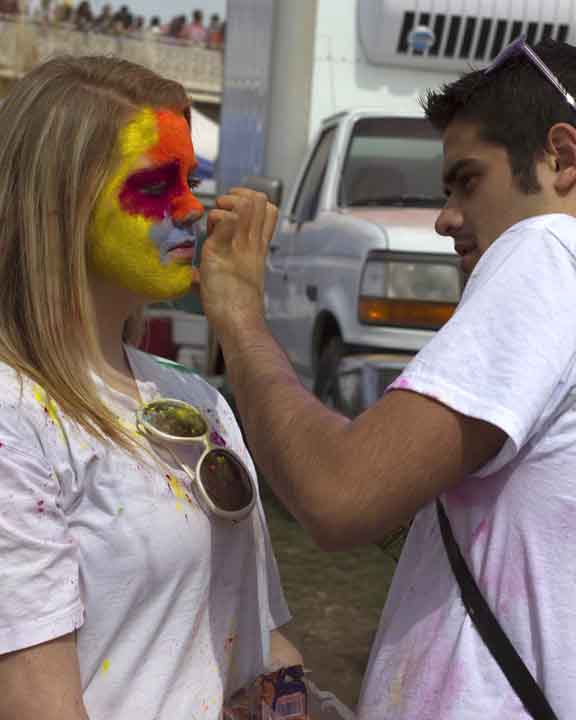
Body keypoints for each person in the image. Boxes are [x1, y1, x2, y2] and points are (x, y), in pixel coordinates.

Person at [199, 36, 576, 719]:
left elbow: (339, 493)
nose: (445, 217)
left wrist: (241, 322)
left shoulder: (548, 251)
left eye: (468, 180)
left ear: (561, 156)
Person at [0, 55, 301, 720]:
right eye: (159, 184)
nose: (193, 210)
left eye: (191, 181)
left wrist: (296, 709)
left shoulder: (198, 401)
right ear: (59, 202)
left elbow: (264, 641)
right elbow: (36, 703)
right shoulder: (13, 417)